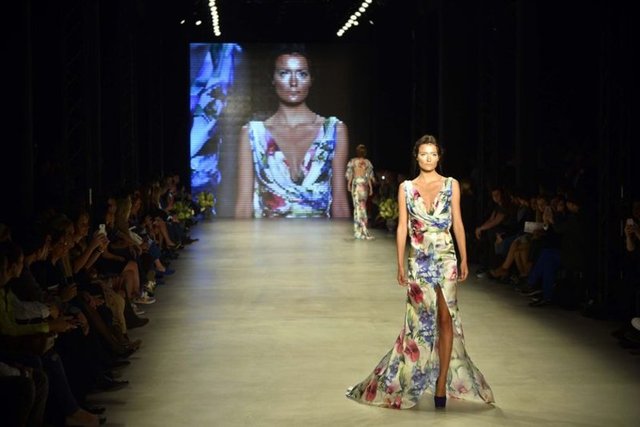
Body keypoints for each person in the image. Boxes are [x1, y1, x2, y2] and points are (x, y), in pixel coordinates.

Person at [346, 135, 494, 409]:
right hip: (419, 259)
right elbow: (403, 226)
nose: (428, 158)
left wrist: (464, 258)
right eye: (424, 153)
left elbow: (458, 223)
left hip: (446, 257)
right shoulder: (406, 188)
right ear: (416, 157)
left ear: (439, 157)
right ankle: (413, 377)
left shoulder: (451, 185)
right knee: (418, 324)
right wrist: (399, 263)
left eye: (433, 154)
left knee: (447, 318)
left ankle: (441, 384)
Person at [234, 44, 350, 218]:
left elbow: (340, 202)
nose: (294, 82)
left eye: (302, 74)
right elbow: (244, 205)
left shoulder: (334, 131)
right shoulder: (253, 134)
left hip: (322, 235)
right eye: (284, 73)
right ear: (273, 79)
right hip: (266, 235)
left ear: (311, 79)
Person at [346, 144, 375, 239]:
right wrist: (370, 188)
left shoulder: (353, 162)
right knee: (363, 207)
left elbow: (350, 175)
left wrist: (348, 184)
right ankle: (363, 229)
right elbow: (369, 177)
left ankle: (358, 231)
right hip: (363, 185)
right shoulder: (367, 163)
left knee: (357, 208)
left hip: (356, 185)